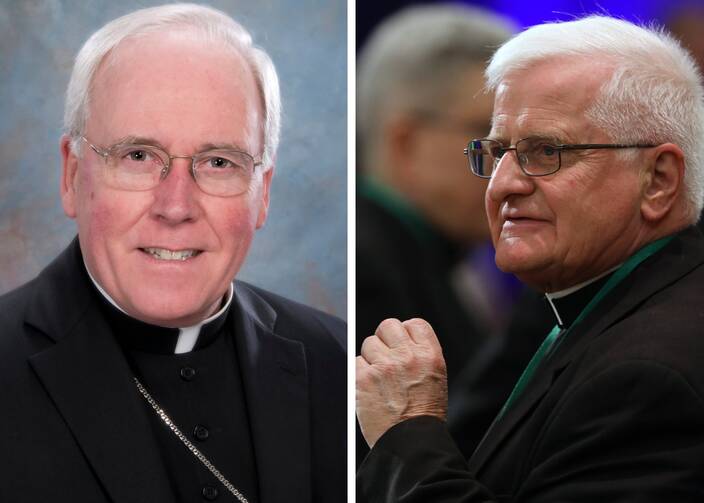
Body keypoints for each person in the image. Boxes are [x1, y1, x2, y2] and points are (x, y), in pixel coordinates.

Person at [0, 4, 345, 502]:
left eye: (219, 162)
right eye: (137, 156)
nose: (176, 206)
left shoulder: (340, 363)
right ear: (73, 177)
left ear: (262, 193)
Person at [357, 15, 704, 502]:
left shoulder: (650, 378)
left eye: (547, 152)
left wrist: (408, 435)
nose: (502, 185)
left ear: (659, 180)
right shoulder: (596, 299)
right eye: (497, 152)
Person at [356, 4, 552, 462]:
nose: (514, 173)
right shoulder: (366, 272)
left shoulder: (442, 259)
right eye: (489, 140)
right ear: (405, 141)